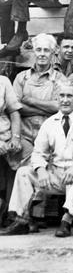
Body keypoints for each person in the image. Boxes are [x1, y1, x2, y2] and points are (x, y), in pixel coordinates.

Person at [3, 81, 73, 237]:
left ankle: (66, 221)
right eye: (62, 96)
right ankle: (21, 220)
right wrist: (41, 169)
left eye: (69, 96)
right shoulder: (50, 123)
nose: (65, 100)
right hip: (54, 174)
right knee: (24, 172)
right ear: (57, 98)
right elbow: (38, 152)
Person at [12, 34, 65, 169]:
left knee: (47, 172)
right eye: (39, 50)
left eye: (46, 50)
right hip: (25, 135)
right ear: (34, 52)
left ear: (53, 53)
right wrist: (47, 108)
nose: (42, 54)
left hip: (50, 136)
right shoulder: (21, 77)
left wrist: (30, 100)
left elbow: (60, 107)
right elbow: (15, 107)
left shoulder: (60, 79)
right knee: (25, 170)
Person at [0, 75, 22, 216]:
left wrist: (16, 137)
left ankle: (14, 213)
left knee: (23, 157)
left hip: (6, 135)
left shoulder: (3, 81)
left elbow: (14, 112)